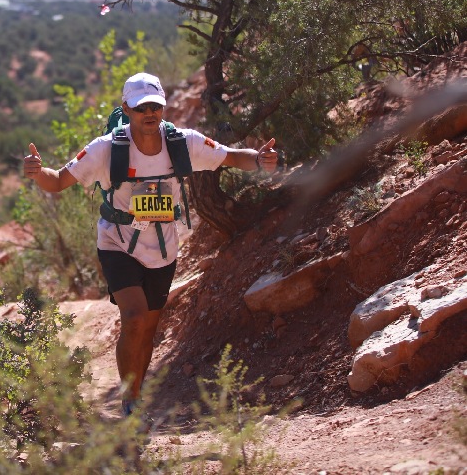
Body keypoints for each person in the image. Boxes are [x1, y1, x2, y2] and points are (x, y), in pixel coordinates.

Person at [23, 72, 278, 416]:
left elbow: (232, 156)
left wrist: (259, 160)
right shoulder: (105, 149)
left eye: (155, 106)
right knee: (134, 316)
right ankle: (129, 400)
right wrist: (38, 173)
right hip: (117, 242)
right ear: (126, 108)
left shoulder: (182, 143)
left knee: (149, 328)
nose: (150, 113)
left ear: (163, 107)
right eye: (141, 106)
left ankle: (137, 393)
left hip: (162, 248)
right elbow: (58, 182)